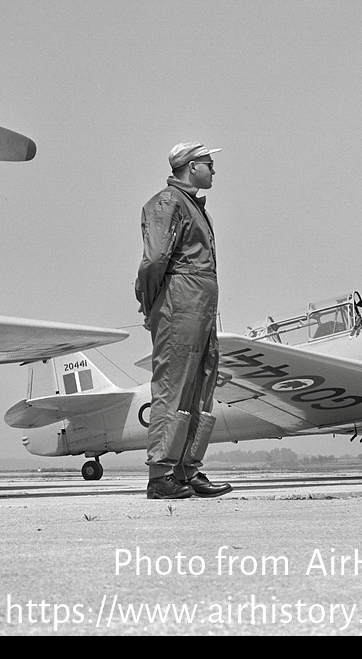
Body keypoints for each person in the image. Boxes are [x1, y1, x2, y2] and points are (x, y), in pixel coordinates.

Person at [135, 141, 232, 500]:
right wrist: (150, 303)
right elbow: (154, 260)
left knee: (201, 386)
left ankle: (187, 470)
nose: (213, 170)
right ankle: (161, 475)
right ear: (192, 166)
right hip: (180, 301)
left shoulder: (190, 205)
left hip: (200, 304)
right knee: (174, 386)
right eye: (208, 163)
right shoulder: (167, 203)